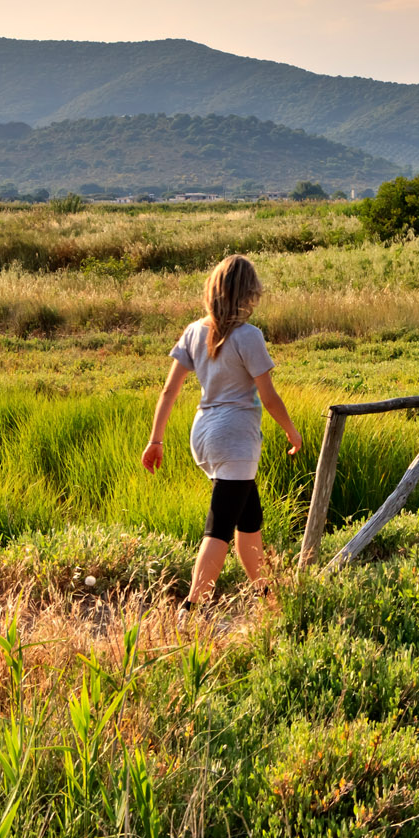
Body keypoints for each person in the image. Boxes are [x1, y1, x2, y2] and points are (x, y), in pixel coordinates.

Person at [142, 254, 302, 612]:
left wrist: (156, 440)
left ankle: (269, 596)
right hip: (236, 439)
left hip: (203, 436)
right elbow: (269, 395)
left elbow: (169, 391)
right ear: (248, 293)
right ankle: (191, 611)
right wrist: (292, 431)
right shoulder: (249, 336)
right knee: (219, 529)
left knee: (249, 520)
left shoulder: (194, 331)